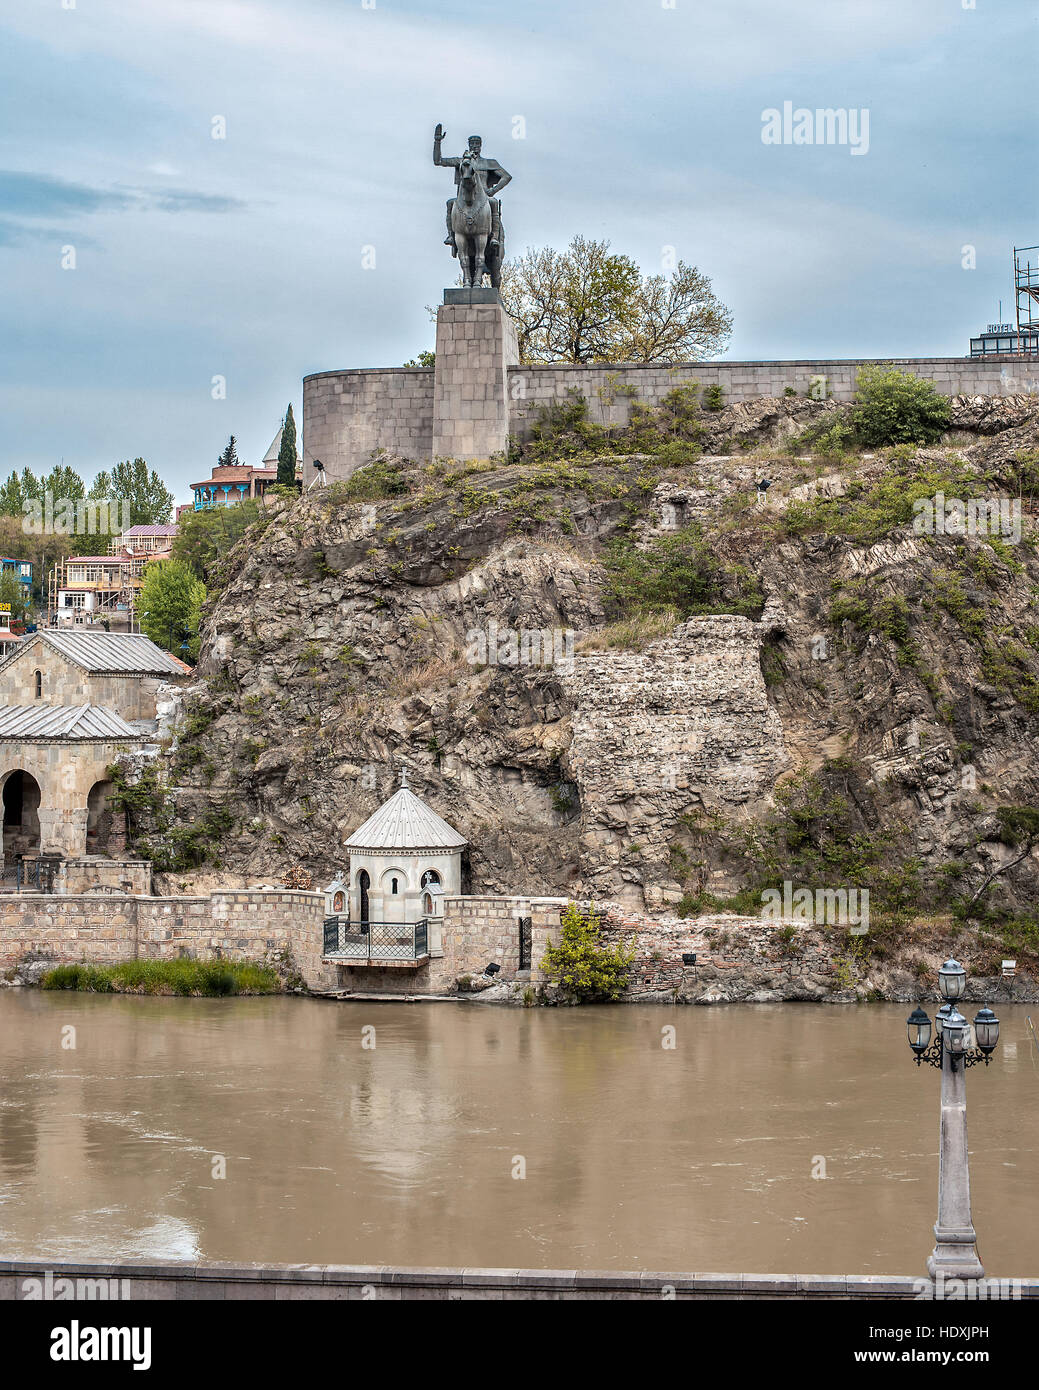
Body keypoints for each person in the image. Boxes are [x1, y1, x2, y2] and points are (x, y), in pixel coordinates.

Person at [433, 125, 511, 255]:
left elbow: (506, 176)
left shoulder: (488, 163)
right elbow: (438, 161)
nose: (474, 146)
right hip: (464, 198)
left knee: (493, 203)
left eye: (477, 143)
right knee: (450, 203)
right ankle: (451, 236)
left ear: (480, 145)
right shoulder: (462, 162)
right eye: (472, 143)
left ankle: (494, 237)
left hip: (484, 197)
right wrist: (437, 141)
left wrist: (493, 191)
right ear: (468, 145)